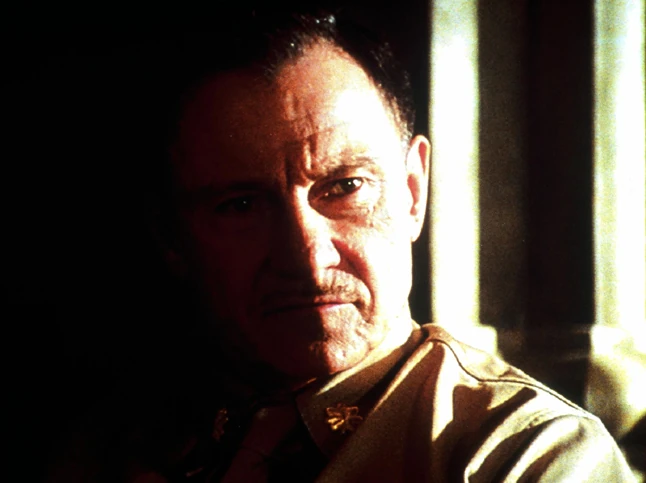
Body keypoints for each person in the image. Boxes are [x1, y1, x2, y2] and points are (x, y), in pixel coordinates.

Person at [46, 7, 635, 482]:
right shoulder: (109, 446)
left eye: (346, 187)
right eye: (241, 206)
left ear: (412, 191)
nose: (307, 258)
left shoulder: (526, 456)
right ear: (172, 236)